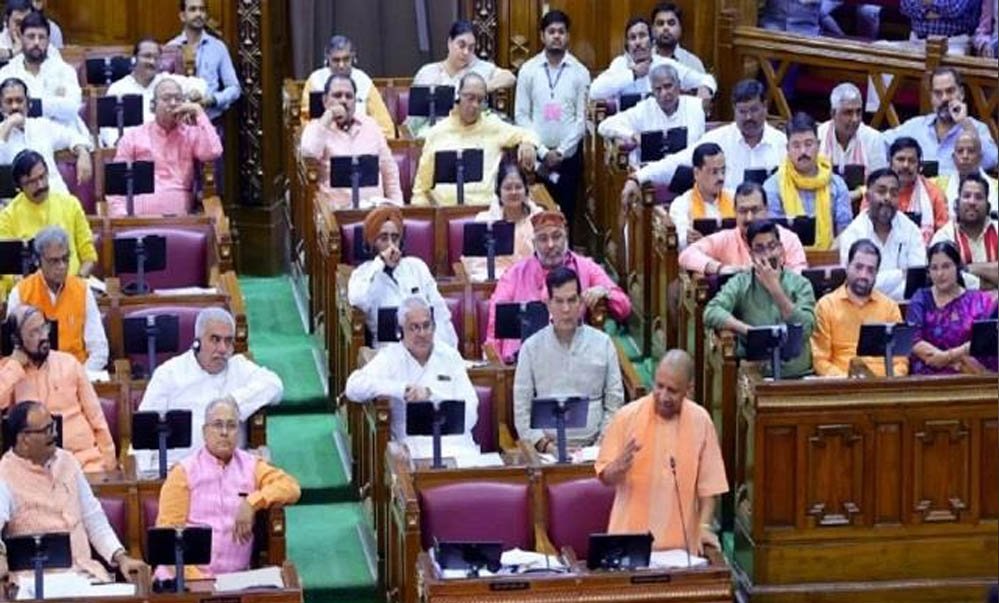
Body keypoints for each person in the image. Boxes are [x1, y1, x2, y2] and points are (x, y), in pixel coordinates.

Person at [596, 350, 728, 553]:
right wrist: (617, 468)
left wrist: (703, 527)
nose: (663, 396)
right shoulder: (627, 417)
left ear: (688, 390)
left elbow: (710, 487)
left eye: (672, 391)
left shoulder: (701, 421)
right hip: (629, 547)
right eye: (659, 386)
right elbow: (605, 477)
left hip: (681, 551)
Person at [0, 401, 146, 583]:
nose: (54, 434)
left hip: (86, 576)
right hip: (36, 582)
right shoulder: (4, 475)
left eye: (53, 426)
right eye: (46, 430)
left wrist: (121, 557)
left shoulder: (67, 461)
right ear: (24, 439)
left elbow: (93, 518)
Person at [155, 398, 301, 580]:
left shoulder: (251, 465)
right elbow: (167, 538)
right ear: (204, 432)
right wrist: (201, 581)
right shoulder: (183, 472)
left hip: (236, 580)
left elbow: (290, 487)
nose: (224, 432)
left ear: (239, 432)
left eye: (231, 426)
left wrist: (251, 503)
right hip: (184, 579)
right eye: (217, 425)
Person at [137, 307, 283, 474]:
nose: (222, 349)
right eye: (215, 339)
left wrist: (232, 403)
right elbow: (144, 428)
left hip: (229, 471)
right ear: (197, 342)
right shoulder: (169, 373)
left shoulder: (239, 367)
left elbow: (274, 385)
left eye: (228, 341)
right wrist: (146, 474)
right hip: (179, 471)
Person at [344, 296, 481, 460]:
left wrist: (430, 395)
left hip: (458, 442)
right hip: (413, 447)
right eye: (414, 328)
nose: (422, 334)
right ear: (400, 332)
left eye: (426, 326)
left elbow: (471, 411)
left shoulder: (450, 356)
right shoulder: (391, 357)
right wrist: (401, 389)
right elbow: (353, 386)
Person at [486, 210, 631, 363]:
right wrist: (496, 364)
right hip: (523, 360)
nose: (550, 245)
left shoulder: (586, 267)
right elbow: (495, 321)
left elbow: (624, 307)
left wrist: (605, 292)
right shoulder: (515, 274)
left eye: (556, 237)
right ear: (534, 243)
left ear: (566, 237)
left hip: (575, 359)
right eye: (543, 239)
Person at [513, 267, 623, 454]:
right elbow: (522, 410)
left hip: (596, 448)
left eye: (572, 300)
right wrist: (547, 447)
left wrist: (599, 445)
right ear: (548, 304)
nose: (566, 309)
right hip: (545, 451)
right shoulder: (531, 348)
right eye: (559, 301)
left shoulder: (603, 343)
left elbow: (615, 403)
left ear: (580, 302)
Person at [0, 306, 116, 473]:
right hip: (31, 468)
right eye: (33, 333)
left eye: (44, 328)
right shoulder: (9, 370)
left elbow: (97, 419)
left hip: (83, 462)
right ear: (17, 340)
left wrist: (109, 463)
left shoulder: (69, 363)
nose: (43, 337)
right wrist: (15, 366)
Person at [627, 79, 787, 194]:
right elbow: (677, 161)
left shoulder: (781, 143)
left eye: (754, 110)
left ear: (765, 107)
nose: (748, 117)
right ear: (734, 110)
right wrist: (637, 178)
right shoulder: (718, 139)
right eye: (742, 112)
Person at [704, 220, 816, 377]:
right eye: (760, 249)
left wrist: (775, 290)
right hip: (755, 376)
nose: (767, 255)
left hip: (798, 376)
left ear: (781, 249)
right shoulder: (741, 282)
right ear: (751, 255)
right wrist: (749, 332)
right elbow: (711, 312)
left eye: (772, 246)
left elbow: (806, 329)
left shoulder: (801, 284)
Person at [411, 72, 538, 207]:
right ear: (458, 96)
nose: (475, 105)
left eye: (480, 100)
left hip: (487, 209)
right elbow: (421, 188)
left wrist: (528, 143)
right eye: (470, 98)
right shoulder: (437, 133)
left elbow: (529, 134)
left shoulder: (493, 126)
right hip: (446, 211)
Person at [513, 10, 590, 226]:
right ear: (542, 36)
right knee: (536, 217)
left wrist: (561, 151)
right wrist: (543, 151)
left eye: (561, 32)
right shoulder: (528, 70)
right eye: (551, 31)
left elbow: (582, 119)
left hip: (569, 158)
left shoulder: (580, 72)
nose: (556, 36)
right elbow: (521, 115)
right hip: (537, 158)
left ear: (568, 36)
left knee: (566, 217)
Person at [107, 77, 223, 216]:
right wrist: (121, 217)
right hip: (138, 219)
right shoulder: (133, 136)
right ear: (152, 106)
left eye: (178, 99)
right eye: (166, 99)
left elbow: (214, 151)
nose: (173, 103)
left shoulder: (190, 134)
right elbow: (117, 185)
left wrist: (199, 112)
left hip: (179, 218)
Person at [347, 205, 458, 349]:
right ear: (372, 242)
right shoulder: (364, 274)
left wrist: (444, 351)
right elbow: (357, 300)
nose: (391, 245)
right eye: (383, 238)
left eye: (395, 238)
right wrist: (380, 263)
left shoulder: (416, 267)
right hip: (389, 353)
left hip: (427, 349)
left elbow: (440, 314)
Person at [6, 227, 108, 372]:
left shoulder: (83, 290)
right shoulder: (20, 293)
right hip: (35, 376)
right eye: (54, 261)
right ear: (38, 261)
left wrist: (81, 376)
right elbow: (14, 351)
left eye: (65, 259)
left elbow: (99, 349)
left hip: (77, 373)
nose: (62, 266)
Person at [299, 73, 402, 210]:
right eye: (337, 96)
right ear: (325, 100)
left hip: (373, 211)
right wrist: (328, 116)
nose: (343, 101)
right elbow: (308, 154)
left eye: (349, 96)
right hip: (336, 213)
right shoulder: (317, 127)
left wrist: (398, 207)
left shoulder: (371, 125)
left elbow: (389, 170)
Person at [811, 238, 908, 376]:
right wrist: (846, 381)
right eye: (858, 267)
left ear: (877, 273)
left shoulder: (889, 307)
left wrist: (889, 382)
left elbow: (901, 361)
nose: (863, 275)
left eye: (870, 270)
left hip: (884, 384)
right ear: (847, 266)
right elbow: (820, 360)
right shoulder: (826, 306)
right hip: (842, 384)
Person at [405, 20, 516, 139]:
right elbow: (413, 122)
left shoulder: (480, 68)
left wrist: (482, 88)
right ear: (450, 42)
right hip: (435, 135)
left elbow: (510, 77)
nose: (466, 52)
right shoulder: (428, 72)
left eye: (471, 48)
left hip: (471, 135)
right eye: (461, 45)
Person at [0, 150, 97, 278]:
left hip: (73, 283)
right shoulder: (7, 217)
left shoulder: (71, 204)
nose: (40, 185)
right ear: (19, 187)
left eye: (42, 177)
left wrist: (77, 282)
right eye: (31, 182)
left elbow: (89, 257)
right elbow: (6, 272)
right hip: (29, 288)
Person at [884, 67, 998, 174]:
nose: (945, 98)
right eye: (938, 93)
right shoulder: (916, 126)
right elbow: (881, 143)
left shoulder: (975, 128)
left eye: (950, 91)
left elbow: (992, 160)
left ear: (962, 93)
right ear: (931, 97)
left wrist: (965, 124)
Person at [908, 241, 998, 374]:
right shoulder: (921, 299)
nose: (940, 274)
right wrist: (946, 359)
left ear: (958, 267)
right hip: (927, 376)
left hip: (968, 374)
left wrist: (946, 357)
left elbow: (985, 339)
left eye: (946, 266)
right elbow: (914, 340)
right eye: (934, 268)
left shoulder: (978, 301)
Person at [679, 181, 808, 274]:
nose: (749, 218)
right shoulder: (726, 239)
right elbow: (687, 254)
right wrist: (721, 268)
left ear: (766, 210)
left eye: (755, 210)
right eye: (743, 211)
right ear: (735, 212)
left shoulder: (788, 239)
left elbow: (800, 276)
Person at [765, 112, 852, 250]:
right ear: (787, 149)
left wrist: (826, 256)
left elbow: (845, 232)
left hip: (829, 256)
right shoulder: (773, 186)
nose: (803, 151)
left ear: (818, 145)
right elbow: (772, 235)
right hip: (786, 257)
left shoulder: (836, 184)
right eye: (796, 145)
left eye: (808, 144)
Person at [99, 38, 208, 147]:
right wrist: (119, 143)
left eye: (156, 58)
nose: (152, 62)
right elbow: (106, 128)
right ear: (135, 58)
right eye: (147, 56)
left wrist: (192, 95)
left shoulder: (167, 81)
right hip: (133, 149)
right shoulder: (118, 88)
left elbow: (200, 84)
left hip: (167, 146)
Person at [839, 168, 927, 300]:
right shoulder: (853, 233)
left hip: (904, 306)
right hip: (863, 305)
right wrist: (901, 274)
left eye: (894, 193)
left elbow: (916, 280)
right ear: (867, 197)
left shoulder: (911, 230)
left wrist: (877, 281)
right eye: (881, 191)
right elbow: (857, 283)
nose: (887, 198)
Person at [596, 63, 705, 168]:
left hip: (688, 170)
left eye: (668, 86)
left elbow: (697, 145)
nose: (664, 93)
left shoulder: (695, 106)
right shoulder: (644, 109)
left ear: (678, 85)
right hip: (651, 172)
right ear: (652, 90)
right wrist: (632, 135)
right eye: (658, 89)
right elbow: (604, 126)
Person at [0, 76, 93, 195]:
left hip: (54, 196)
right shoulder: (2, 132)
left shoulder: (42, 125)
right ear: (1, 107)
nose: (15, 106)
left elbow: (74, 137)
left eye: (19, 101)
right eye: (9, 102)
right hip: (17, 201)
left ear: (28, 104)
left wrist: (83, 152)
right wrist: (8, 126)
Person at [590, 18, 714, 103]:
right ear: (627, 46)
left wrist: (705, 89)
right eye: (632, 38)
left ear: (652, 42)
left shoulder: (664, 64)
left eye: (642, 36)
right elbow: (594, 92)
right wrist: (633, 74)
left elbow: (708, 79)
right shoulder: (620, 64)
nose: (638, 42)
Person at [458, 161, 542, 282]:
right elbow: (475, 266)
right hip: (496, 283)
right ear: (499, 191)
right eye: (508, 188)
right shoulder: (484, 221)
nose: (513, 192)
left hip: (533, 281)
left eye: (518, 187)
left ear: (526, 190)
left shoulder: (539, 219)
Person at [301, 35, 395, 138]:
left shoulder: (364, 81)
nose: (341, 65)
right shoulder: (316, 81)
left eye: (346, 59)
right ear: (327, 58)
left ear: (353, 57)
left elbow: (386, 128)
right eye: (336, 60)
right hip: (325, 142)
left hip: (360, 141)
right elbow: (307, 125)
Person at [0, 11, 79, 129]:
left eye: (41, 37)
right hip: (20, 135)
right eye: (31, 37)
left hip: (61, 135)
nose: (36, 42)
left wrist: (32, 106)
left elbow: (72, 108)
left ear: (48, 41)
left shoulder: (65, 71)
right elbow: (4, 110)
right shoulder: (8, 72)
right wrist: (55, 105)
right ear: (21, 38)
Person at [168, 0, 241, 122]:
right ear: (182, 16)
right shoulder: (171, 47)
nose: (198, 14)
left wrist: (213, 99)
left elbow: (234, 88)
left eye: (202, 9)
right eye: (193, 9)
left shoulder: (218, 47)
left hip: (211, 121)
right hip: (179, 122)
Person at [816, 82, 888, 201]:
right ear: (833, 113)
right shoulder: (818, 136)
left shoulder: (873, 139)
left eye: (858, 112)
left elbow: (880, 183)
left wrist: (857, 193)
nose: (855, 119)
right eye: (848, 113)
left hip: (863, 204)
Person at [875, 137, 950, 242]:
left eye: (911, 161)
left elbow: (945, 234)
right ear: (890, 162)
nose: (906, 165)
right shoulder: (876, 190)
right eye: (900, 159)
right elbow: (865, 227)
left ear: (919, 165)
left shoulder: (933, 193)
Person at [931, 173, 999, 289]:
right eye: (967, 196)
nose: (972, 202)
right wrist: (988, 283)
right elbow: (945, 278)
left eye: (978, 197)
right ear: (957, 203)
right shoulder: (944, 236)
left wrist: (969, 268)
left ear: (988, 206)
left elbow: (959, 275)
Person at [667, 142, 733, 249]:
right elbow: (682, 239)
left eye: (723, 171)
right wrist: (689, 239)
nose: (721, 177)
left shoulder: (734, 198)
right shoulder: (681, 204)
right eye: (714, 172)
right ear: (696, 173)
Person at [933, 128, 999, 216]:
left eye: (971, 151)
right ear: (953, 158)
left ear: (980, 157)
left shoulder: (996, 187)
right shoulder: (936, 186)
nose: (965, 156)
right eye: (960, 151)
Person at [650, 2, 707, 72]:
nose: (666, 28)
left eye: (671, 23)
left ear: (680, 28)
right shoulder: (642, 60)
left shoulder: (693, 64)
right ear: (652, 29)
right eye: (660, 23)